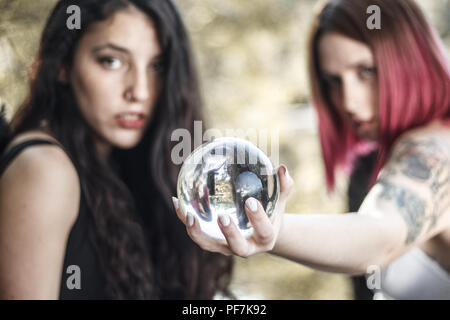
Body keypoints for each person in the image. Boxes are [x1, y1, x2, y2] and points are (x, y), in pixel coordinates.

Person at [173, 0, 450, 299]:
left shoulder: (434, 150)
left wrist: (272, 230)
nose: (349, 102)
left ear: (411, 57)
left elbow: (376, 236)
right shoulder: (378, 160)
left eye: (366, 71)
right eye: (333, 81)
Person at [0, 0, 232, 299]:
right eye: (111, 61)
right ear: (62, 65)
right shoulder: (43, 168)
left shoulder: (122, 165)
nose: (140, 91)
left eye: (156, 66)